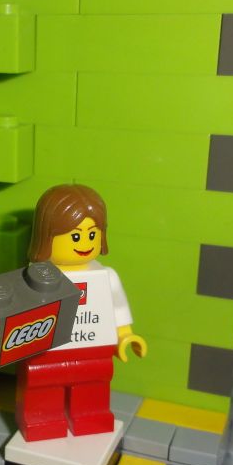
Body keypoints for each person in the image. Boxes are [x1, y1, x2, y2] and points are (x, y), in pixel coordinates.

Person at [16, 184, 147, 441]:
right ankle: (42, 419)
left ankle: (90, 416)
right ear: (46, 236)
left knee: (93, 385)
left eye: (92, 234)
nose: (85, 243)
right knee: (43, 385)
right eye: (75, 236)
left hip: (93, 350)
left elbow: (118, 309)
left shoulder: (106, 276)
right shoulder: (37, 277)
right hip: (47, 353)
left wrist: (125, 336)